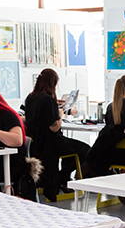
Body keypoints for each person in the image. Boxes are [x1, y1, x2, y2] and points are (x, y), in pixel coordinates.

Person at [23, 68, 90, 201]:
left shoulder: (30, 98)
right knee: (85, 150)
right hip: (52, 142)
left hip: (36, 143)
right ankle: (61, 177)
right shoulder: (48, 100)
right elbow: (54, 127)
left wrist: (55, 104)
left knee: (72, 151)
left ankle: (63, 179)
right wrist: (59, 114)